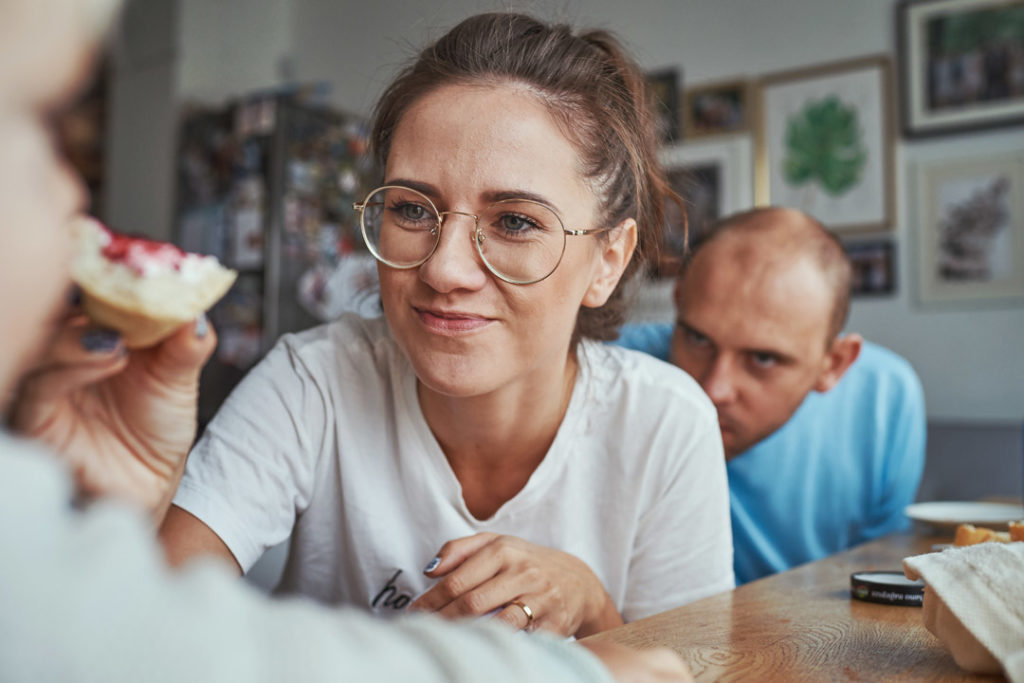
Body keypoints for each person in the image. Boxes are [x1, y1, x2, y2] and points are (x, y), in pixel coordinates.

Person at [0, 1, 694, 680]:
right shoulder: (312, 380)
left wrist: (593, 602)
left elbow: (692, 670)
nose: (444, 269)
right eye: (412, 209)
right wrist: (125, 511)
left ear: (607, 258)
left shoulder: (666, 420)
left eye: (514, 221)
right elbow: (141, 647)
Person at [617, 207, 926, 584]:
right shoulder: (611, 374)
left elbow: (877, 584)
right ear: (679, 302)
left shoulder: (883, 404)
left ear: (834, 364)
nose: (714, 389)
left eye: (763, 359)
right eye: (698, 338)